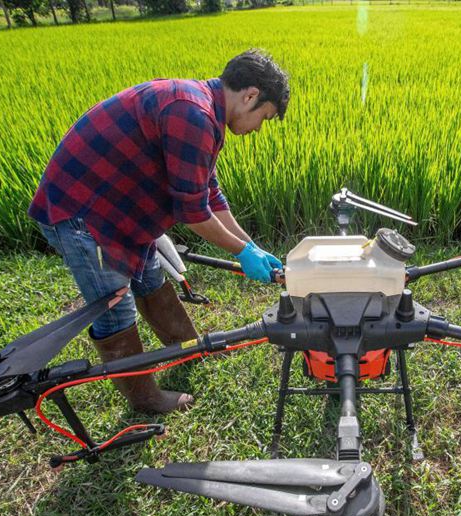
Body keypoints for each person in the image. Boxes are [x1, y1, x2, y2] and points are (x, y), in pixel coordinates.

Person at [27, 49, 289, 414]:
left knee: (149, 278)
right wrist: (240, 253)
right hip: (85, 214)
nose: (260, 127)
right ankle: (144, 398)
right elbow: (193, 212)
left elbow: (208, 193)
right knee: (115, 307)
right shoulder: (193, 114)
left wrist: (250, 245)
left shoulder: (203, 112)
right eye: (265, 116)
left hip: (123, 211)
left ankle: (186, 350)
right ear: (250, 96)